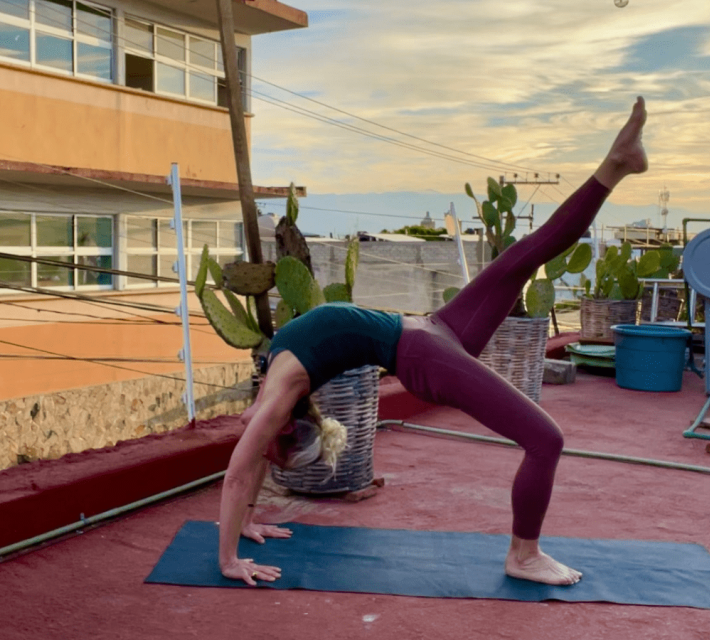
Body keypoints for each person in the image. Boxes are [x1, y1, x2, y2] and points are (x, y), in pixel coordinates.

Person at [217, 96, 650, 588]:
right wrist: (233, 549)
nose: (246, 435)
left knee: (526, 254)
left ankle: (615, 165)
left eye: (263, 448)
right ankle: (524, 555)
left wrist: (242, 533)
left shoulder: (277, 379)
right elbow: (243, 469)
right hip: (424, 354)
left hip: (435, 328)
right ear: (285, 429)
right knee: (546, 440)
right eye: (266, 450)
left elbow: (247, 465)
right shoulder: (280, 394)